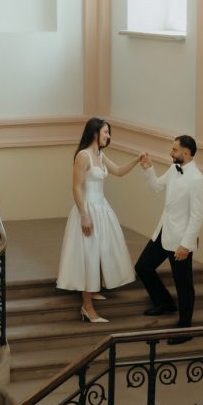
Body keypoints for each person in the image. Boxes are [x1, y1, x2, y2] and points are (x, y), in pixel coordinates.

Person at [57, 117, 142, 323]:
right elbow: (76, 188)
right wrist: (84, 215)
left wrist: (137, 160)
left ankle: (93, 290)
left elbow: (119, 171)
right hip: (88, 210)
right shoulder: (83, 156)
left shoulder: (100, 155)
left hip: (102, 209)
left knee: (102, 250)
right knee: (89, 254)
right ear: (95, 133)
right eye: (106, 132)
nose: (108, 136)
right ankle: (87, 307)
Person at [136, 134, 203, 344]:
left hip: (180, 241)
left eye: (174, 150)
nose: (171, 152)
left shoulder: (197, 180)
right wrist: (148, 168)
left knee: (183, 284)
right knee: (143, 267)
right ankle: (165, 302)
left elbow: (197, 216)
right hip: (163, 232)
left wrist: (186, 245)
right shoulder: (173, 168)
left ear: (186, 152)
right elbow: (156, 186)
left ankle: (185, 328)